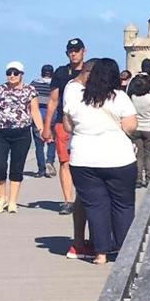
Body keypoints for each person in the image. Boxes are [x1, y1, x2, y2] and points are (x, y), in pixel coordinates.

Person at [62, 57, 137, 265]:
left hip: (84, 159)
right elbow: (130, 126)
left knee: (96, 206)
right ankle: (124, 249)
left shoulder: (76, 98)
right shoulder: (119, 97)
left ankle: (100, 253)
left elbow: (68, 127)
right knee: (123, 205)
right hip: (118, 158)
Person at [0, 61, 45, 214]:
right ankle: (1, 198)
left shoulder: (30, 90)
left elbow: (34, 111)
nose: (12, 76)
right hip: (1, 133)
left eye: (15, 72)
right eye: (9, 72)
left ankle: (13, 200)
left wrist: (42, 130)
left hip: (22, 133)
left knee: (17, 167)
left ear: (22, 74)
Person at [44, 38, 88, 216]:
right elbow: (53, 100)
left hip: (85, 123)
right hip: (63, 122)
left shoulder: (90, 71)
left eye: (77, 50)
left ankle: (83, 198)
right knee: (65, 162)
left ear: (84, 51)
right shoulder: (61, 73)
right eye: (71, 50)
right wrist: (47, 126)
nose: (74, 53)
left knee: (85, 161)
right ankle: (68, 200)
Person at [127, 74, 150, 187]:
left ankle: (138, 179)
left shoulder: (133, 98)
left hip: (136, 129)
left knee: (138, 155)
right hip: (148, 129)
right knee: (148, 154)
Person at [31, 64, 56, 177]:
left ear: (42, 72)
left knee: (39, 144)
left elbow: (29, 99)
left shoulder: (34, 84)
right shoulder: (56, 84)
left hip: (38, 115)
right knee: (52, 141)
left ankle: (41, 170)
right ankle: (50, 161)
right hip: (52, 115)